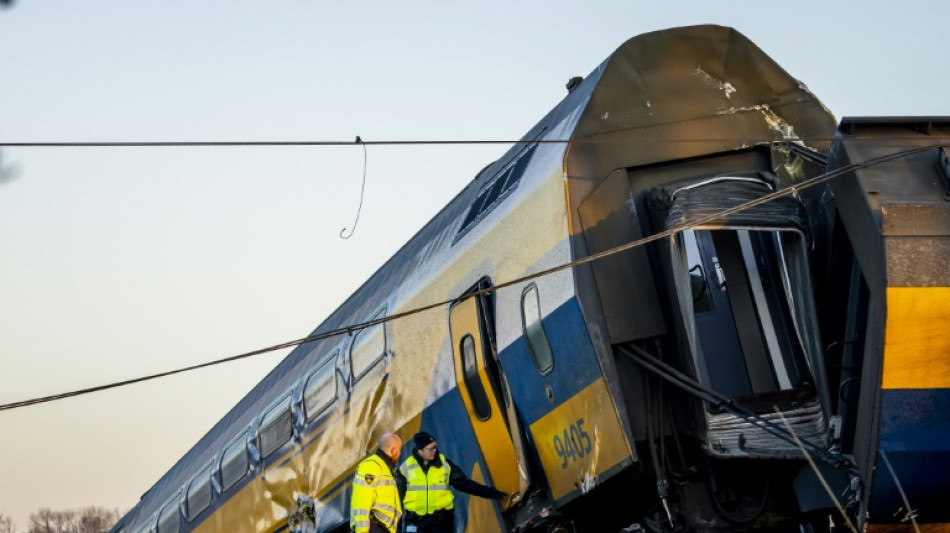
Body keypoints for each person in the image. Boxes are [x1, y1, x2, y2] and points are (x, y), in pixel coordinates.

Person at [396, 431, 505, 533]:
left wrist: (494, 493)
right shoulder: (406, 468)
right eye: (431, 448)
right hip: (416, 524)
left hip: (442, 523)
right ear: (420, 449)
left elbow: (465, 484)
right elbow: (397, 501)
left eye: (435, 447)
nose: (435, 450)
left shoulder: (444, 464)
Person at [351, 433, 404, 533]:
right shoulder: (372, 466)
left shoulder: (384, 468)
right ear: (393, 450)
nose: (400, 453)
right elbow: (362, 500)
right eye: (399, 450)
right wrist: (362, 530)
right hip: (373, 528)